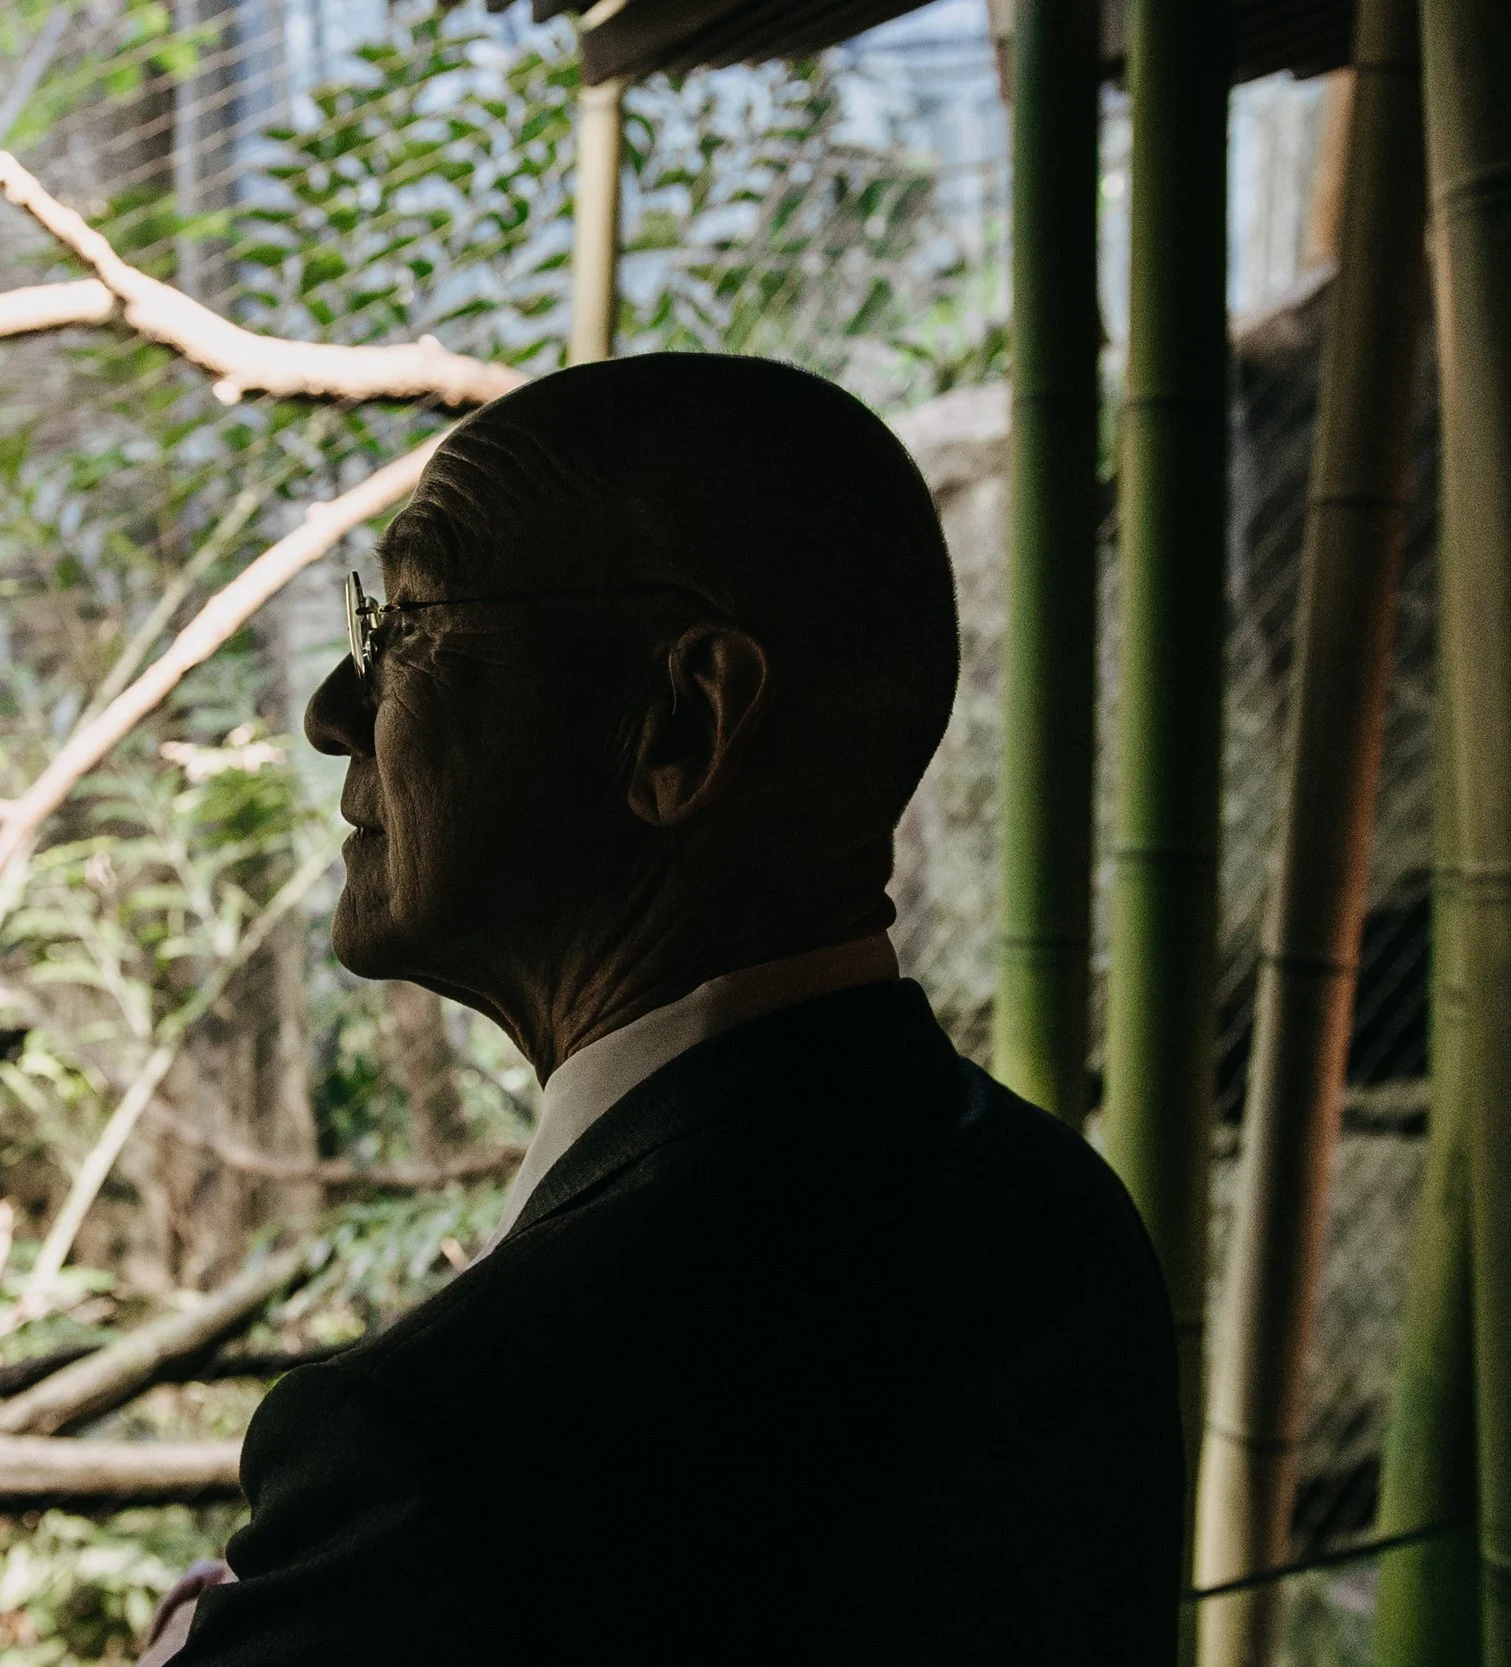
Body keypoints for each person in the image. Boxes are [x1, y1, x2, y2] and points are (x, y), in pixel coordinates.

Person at [148, 353, 1183, 1665]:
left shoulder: (466, 1437)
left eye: (405, 624)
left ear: (682, 723)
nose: (330, 712)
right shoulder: (1054, 1219)